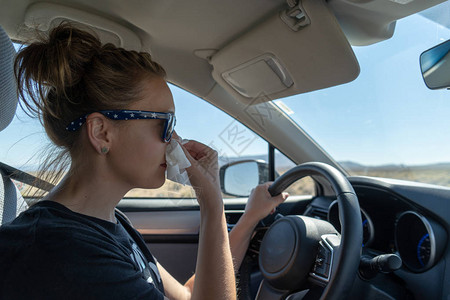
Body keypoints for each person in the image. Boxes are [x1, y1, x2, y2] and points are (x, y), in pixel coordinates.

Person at [0, 22, 288, 300]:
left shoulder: (109, 222)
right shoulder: (62, 254)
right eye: (165, 124)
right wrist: (213, 206)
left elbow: (188, 295)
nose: (175, 141)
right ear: (102, 133)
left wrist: (241, 215)